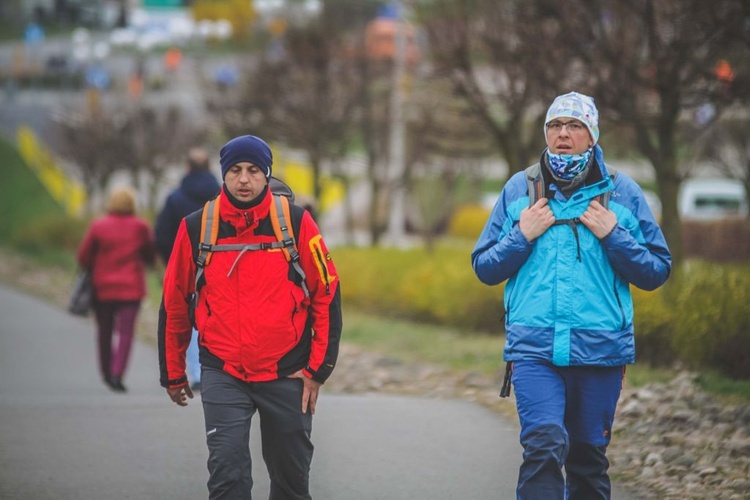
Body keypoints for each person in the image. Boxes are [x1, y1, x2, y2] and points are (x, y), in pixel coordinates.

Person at [471, 92, 671, 499]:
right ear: (546, 133)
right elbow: (485, 267)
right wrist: (520, 236)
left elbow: (656, 270)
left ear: (592, 135)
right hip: (533, 349)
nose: (563, 134)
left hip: (600, 351)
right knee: (543, 447)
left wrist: (614, 235)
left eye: (575, 126)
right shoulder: (519, 189)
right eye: (555, 126)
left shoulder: (623, 193)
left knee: (587, 462)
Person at [158, 134, 342, 499]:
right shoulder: (196, 227)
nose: (244, 179)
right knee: (228, 478)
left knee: (291, 483)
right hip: (223, 371)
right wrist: (174, 372)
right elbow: (174, 302)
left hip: (287, 371)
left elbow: (327, 294)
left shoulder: (297, 223)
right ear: (223, 175)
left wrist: (317, 370)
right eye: (236, 170)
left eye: (254, 170)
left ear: (266, 174)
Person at [77, 187, 156, 392]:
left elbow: (84, 256)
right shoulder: (141, 226)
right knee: (126, 332)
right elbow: (149, 254)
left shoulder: (98, 225)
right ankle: (117, 373)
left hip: (103, 287)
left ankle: (105, 371)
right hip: (131, 287)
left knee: (104, 331)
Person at [155, 147, 221, 391]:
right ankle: (214, 368)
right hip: (217, 265)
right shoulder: (219, 194)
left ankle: (196, 371)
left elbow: (162, 235)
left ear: (187, 167)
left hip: (185, 264)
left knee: (188, 315)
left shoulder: (175, 198)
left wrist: (169, 261)